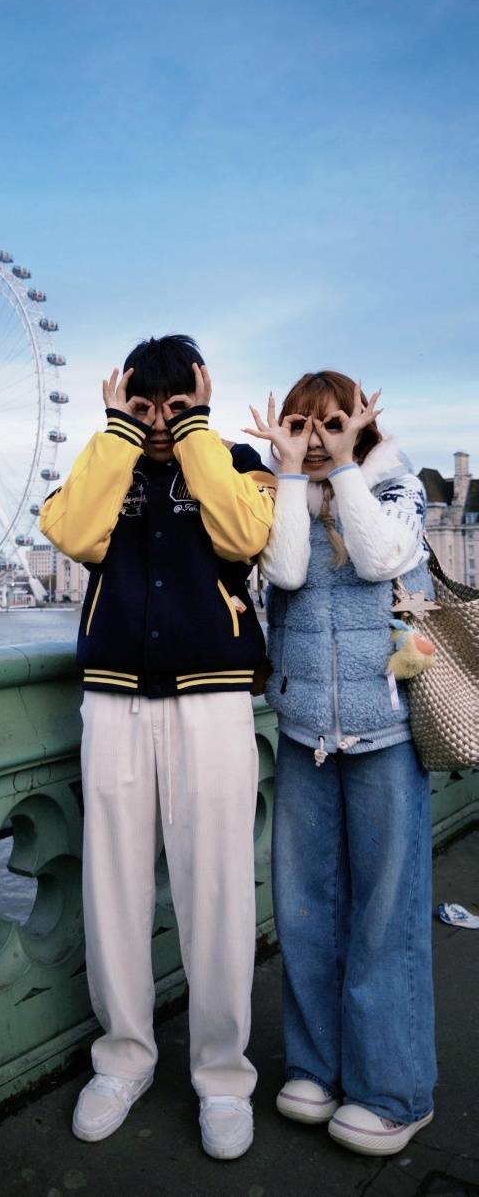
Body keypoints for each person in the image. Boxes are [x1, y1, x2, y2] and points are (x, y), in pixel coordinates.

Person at [39, 335, 276, 1159]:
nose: (163, 422)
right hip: (113, 697)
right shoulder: (108, 464)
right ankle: (124, 1060)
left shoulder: (238, 462)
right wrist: (118, 433)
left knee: (219, 891)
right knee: (112, 888)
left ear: (201, 398)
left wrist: (201, 430)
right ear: (125, 404)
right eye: (148, 406)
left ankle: (223, 1075)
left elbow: (245, 537)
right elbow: (74, 534)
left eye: (177, 406)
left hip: (213, 698)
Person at [245, 371, 437, 1156]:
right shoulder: (281, 494)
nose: (318, 437)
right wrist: (292, 474)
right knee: (305, 910)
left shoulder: (398, 486)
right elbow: (287, 571)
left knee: (386, 916)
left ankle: (394, 1090)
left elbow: (379, 554)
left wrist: (350, 466)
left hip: (384, 734)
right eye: (301, 423)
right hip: (303, 734)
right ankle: (316, 1068)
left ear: (360, 422)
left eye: (333, 422)